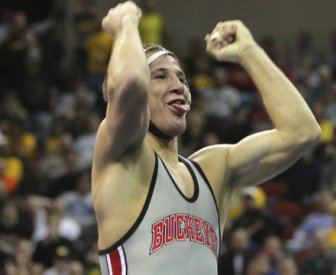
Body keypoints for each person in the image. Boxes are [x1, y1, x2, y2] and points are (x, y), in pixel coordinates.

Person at [91, 2, 320, 275]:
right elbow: (129, 80)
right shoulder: (122, 155)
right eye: (160, 76)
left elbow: (302, 132)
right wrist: (126, 22)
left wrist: (249, 53)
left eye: (181, 78)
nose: (178, 86)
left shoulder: (213, 169)